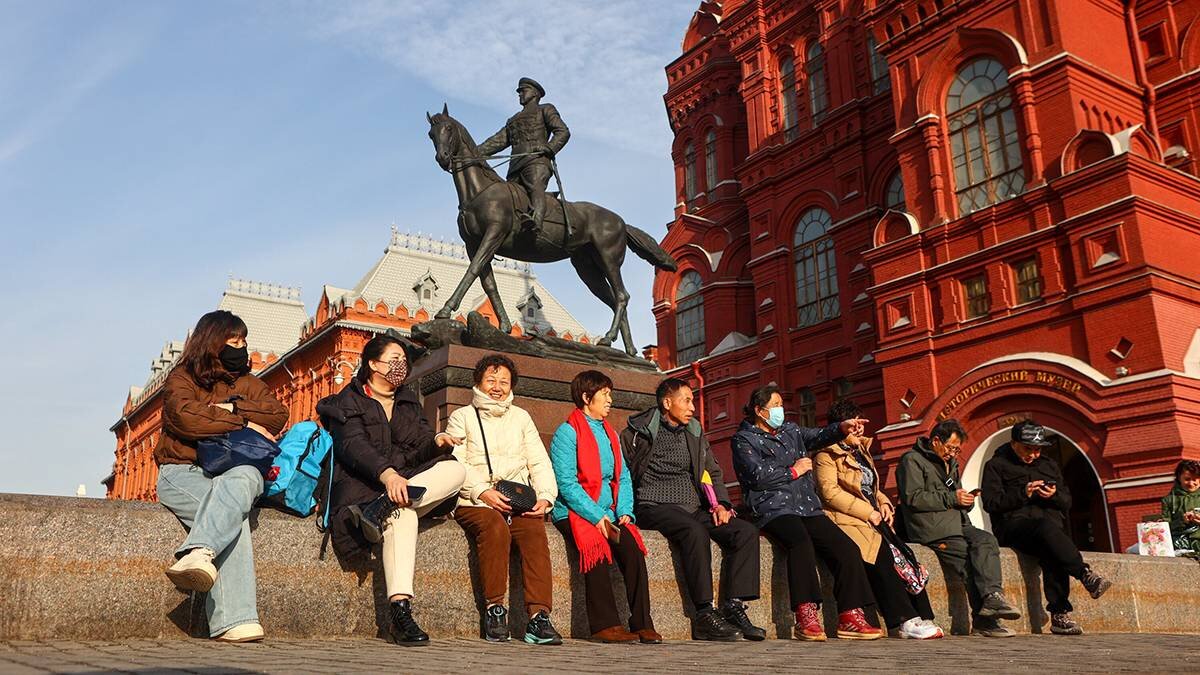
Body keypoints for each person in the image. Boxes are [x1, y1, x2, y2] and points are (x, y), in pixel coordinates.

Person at [316, 333, 466, 646]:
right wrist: (388, 476)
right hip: (361, 490)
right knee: (404, 517)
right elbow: (353, 446)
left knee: (456, 469)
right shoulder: (347, 402)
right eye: (393, 359)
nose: (401, 366)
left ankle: (385, 506)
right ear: (372, 363)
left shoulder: (409, 400)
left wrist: (435, 444)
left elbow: (414, 452)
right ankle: (400, 611)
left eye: (404, 360)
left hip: (399, 488)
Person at [155, 310, 289, 643]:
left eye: (244, 341)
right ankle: (235, 619)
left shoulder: (248, 383)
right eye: (234, 340)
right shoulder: (182, 378)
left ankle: (199, 553)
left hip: (234, 471)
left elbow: (277, 416)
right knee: (234, 517)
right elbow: (185, 418)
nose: (241, 347)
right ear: (213, 341)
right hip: (182, 471)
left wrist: (232, 410)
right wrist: (241, 420)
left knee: (244, 478)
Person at [730, 386, 886, 641]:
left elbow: (818, 436)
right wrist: (793, 471)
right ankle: (805, 614)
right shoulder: (743, 439)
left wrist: (842, 428)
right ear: (759, 411)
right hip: (772, 507)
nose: (781, 409)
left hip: (807, 506)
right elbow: (755, 477)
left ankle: (850, 614)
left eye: (781, 404)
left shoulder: (791, 431)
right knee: (800, 543)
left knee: (846, 548)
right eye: (776, 405)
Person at [622, 378, 764, 642]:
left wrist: (721, 503)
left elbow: (712, 470)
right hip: (653, 505)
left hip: (694, 505)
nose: (692, 407)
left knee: (744, 531)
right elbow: (623, 473)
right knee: (694, 531)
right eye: (686, 400)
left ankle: (733, 606)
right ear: (667, 403)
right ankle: (704, 614)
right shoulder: (637, 432)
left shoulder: (695, 431)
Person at [446, 354, 561, 644]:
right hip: (473, 500)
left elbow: (539, 462)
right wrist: (481, 491)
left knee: (535, 533)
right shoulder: (462, 417)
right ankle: (495, 609)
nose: (497, 387)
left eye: (503, 381)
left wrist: (545, 498)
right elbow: (455, 462)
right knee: (495, 528)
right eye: (491, 380)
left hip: (516, 501)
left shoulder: (521, 417)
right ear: (478, 383)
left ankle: (539, 618)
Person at [809, 399, 945, 640]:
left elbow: (870, 486)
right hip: (847, 520)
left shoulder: (860, 451)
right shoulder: (825, 454)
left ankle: (922, 616)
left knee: (905, 556)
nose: (860, 431)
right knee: (882, 556)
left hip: (871, 519)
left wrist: (883, 502)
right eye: (855, 426)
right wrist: (868, 512)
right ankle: (903, 620)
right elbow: (829, 493)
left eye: (861, 425)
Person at [549, 370, 660, 644]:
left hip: (608, 511)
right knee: (596, 547)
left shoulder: (610, 433)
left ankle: (642, 622)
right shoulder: (567, 432)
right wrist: (596, 516)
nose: (610, 399)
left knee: (632, 550)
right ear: (587, 397)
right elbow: (566, 483)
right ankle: (605, 625)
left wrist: (624, 510)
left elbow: (622, 476)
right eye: (605, 394)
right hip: (574, 511)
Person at [981, 420, 1112, 635]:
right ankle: (1084, 574)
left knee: (1053, 544)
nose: (1033, 454)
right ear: (1014, 444)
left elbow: (1067, 501)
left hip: (1047, 529)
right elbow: (992, 503)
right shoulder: (996, 466)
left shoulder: (1049, 465)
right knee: (1047, 531)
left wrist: (1053, 496)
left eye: (1037, 449)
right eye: (1028, 449)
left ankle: (1059, 616)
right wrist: (1024, 492)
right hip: (1013, 527)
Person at [896, 418, 1021, 637]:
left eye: (957, 449)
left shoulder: (950, 463)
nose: (953, 453)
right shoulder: (912, 460)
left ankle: (993, 596)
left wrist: (967, 500)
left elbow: (954, 496)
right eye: (951, 448)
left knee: (986, 540)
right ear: (936, 440)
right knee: (966, 560)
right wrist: (953, 498)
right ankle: (984, 623)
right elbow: (913, 498)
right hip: (932, 528)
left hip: (958, 523)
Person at [477, 77, 570, 235]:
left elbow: (563, 131)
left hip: (536, 162)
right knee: (510, 198)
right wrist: (473, 152)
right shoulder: (513, 120)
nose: (520, 94)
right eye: (519, 91)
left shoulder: (545, 109)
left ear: (534, 93)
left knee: (535, 186)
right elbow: (496, 141)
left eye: (523, 91)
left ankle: (537, 221)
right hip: (515, 166)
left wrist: (549, 148)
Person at [1159, 459, 1200, 555]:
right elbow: (1166, 527)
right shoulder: (1168, 500)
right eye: (1187, 479)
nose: (1191, 483)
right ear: (1179, 478)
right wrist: (1182, 521)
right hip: (1179, 542)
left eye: (1195, 479)